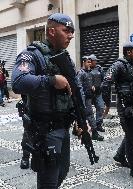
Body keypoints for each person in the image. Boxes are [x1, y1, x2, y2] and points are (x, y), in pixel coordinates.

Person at [12, 13, 80, 188]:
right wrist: (51, 80)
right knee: (48, 182)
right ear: (51, 31)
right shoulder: (32, 55)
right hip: (45, 131)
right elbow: (18, 82)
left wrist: (82, 120)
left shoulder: (65, 58)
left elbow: (75, 90)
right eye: (66, 30)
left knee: (63, 171)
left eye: (72, 31)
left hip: (63, 128)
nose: (71, 35)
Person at [101, 42, 133, 182]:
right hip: (125, 108)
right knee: (131, 138)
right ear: (128, 52)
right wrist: (108, 104)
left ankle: (120, 155)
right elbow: (105, 83)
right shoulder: (118, 65)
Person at [76, 56, 104, 141]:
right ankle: (94, 133)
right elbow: (79, 87)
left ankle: (83, 132)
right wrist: (82, 100)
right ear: (83, 62)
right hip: (84, 99)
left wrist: (92, 86)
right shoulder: (80, 73)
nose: (90, 64)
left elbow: (90, 82)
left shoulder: (89, 72)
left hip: (89, 97)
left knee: (85, 116)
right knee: (89, 115)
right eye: (88, 62)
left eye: (90, 62)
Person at [89, 54, 107, 132]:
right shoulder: (86, 69)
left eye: (96, 61)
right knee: (88, 110)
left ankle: (98, 124)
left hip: (98, 92)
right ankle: (91, 125)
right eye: (94, 61)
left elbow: (104, 79)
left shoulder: (99, 69)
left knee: (101, 107)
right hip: (89, 93)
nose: (95, 62)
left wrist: (102, 86)